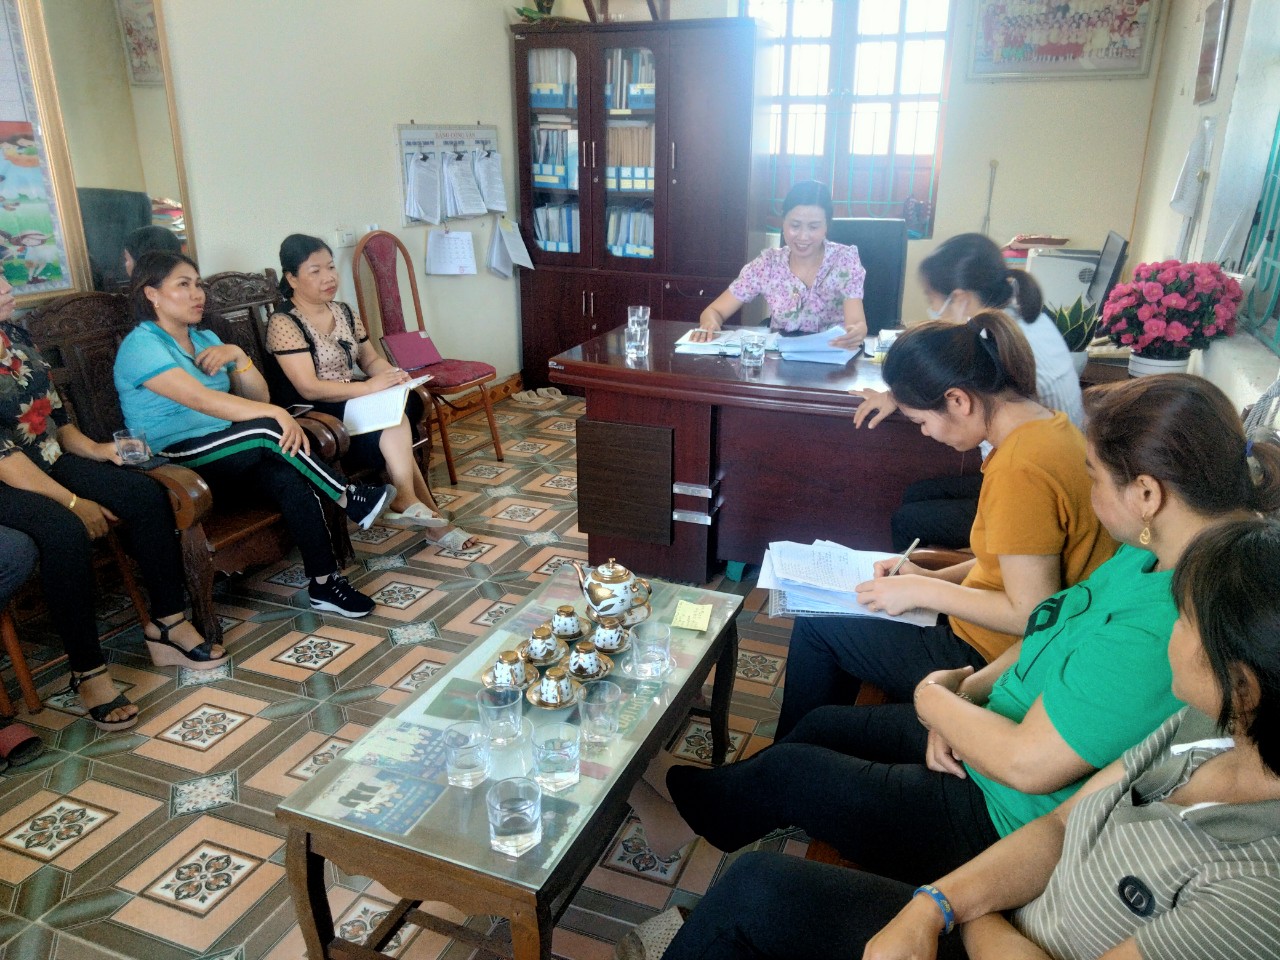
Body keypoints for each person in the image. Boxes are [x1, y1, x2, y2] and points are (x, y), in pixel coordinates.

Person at [667, 373, 1280, 885]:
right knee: (824, 726)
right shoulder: (1150, 552)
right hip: (988, 728)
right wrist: (969, 693)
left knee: (792, 774)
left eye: (1094, 477)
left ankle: (685, 811)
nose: (1089, 490)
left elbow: (1026, 764)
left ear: (1146, 492)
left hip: (997, 812)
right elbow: (1053, 623)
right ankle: (736, 803)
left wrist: (936, 702)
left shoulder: (1175, 621)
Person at [661, 517, 1280, 960]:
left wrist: (960, 910)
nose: (1172, 627)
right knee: (806, 764)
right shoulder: (1200, 726)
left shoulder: (1256, 892)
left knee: (755, 883)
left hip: (1007, 907)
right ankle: (698, 811)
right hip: (1006, 895)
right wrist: (940, 904)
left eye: (1186, 621)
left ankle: (679, 812)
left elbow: (1033, 774)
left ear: (1242, 685)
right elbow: (1062, 825)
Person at [776, 309, 1114, 738]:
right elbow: (1011, 562)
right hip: (998, 631)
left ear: (957, 400)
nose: (924, 433)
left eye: (922, 421)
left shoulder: (1021, 469)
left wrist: (925, 591)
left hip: (991, 654)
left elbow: (1031, 613)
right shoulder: (1047, 427)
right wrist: (930, 575)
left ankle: (794, 748)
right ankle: (818, 739)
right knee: (845, 619)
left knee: (816, 625)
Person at [1, 277, 227, 733]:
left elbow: (55, 418)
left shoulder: (16, 336)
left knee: (144, 493)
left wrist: (99, 451)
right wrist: (72, 501)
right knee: (65, 530)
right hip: (7, 478)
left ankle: (166, 624)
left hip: (48, 458)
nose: (7, 286)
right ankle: (87, 670)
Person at [113, 252, 391, 619]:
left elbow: (258, 398)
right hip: (174, 457)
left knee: (290, 477)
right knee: (268, 427)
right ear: (152, 294)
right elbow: (201, 399)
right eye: (183, 285)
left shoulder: (205, 338)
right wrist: (276, 414)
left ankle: (325, 584)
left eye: (198, 284)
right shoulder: (142, 345)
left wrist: (237, 356)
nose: (197, 294)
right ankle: (347, 495)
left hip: (227, 449)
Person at [857, 232, 1085, 550]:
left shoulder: (1004, 341)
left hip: (1038, 476)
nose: (933, 310)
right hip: (1051, 458)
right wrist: (904, 393)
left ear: (961, 298)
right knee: (917, 494)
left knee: (909, 519)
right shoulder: (1010, 324)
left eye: (932, 299)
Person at [266, 234, 474, 550]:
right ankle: (430, 520)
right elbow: (307, 386)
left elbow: (370, 359)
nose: (328, 277)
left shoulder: (344, 312)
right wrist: (368, 387)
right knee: (393, 418)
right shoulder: (284, 322)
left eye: (331, 267)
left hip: (352, 401)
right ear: (292, 278)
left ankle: (411, 503)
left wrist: (391, 376)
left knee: (398, 408)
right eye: (315, 271)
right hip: (317, 415)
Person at [690, 181, 867, 347]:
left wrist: (856, 331)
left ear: (826, 226)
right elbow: (714, 311)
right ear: (783, 223)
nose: (803, 236)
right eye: (795, 225)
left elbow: (856, 322)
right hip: (780, 360)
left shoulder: (844, 260)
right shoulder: (768, 264)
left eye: (813, 227)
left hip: (831, 356)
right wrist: (710, 324)